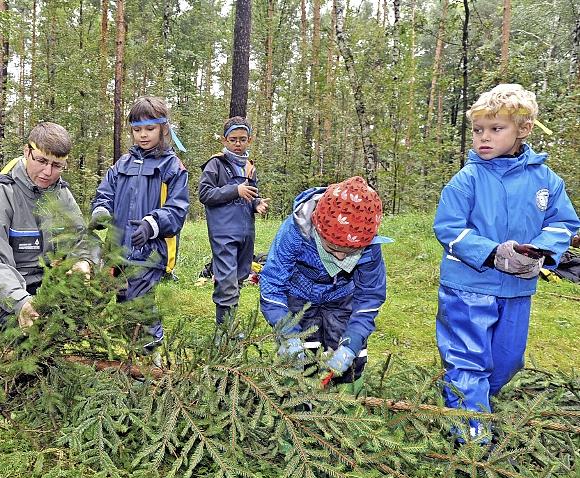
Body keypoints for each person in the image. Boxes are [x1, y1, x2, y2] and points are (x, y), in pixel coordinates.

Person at [433, 83, 580, 440]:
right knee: (469, 359)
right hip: (468, 287)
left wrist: (542, 250)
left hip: (517, 289)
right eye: (478, 130)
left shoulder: (546, 181)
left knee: (508, 359)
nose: (484, 138)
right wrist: (493, 253)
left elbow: (564, 224)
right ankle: (471, 435)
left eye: (496, 129)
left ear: (523, 129)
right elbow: (448, 228)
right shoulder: (466, 179)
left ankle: (469, 395)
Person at [0, 122, 94, 329]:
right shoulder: (1, 193)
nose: (47, 172)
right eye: (41, 160)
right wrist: (20, 301)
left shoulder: (63, 195)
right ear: (26, 152)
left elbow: (80, 240)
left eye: (56, 165)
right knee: (11, 340)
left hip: (41, 285)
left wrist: (83, 261)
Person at [260, 176, 389, 391]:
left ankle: (347, 407)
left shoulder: (368, 246)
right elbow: (272, 283)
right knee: (301, 354)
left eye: (348, 253)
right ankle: (296, 407)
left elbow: (370, 296)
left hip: (341, 298)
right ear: (318, 230)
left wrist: (352, 342)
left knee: (350, 358)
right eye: (331, 249)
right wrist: (287, 331)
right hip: (299, 297)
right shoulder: (295, 233)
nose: (339, 257)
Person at [91, 96, 190, 355]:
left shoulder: (172, 167)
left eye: (149, 129)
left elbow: (177, 210)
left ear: (163, 129)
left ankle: (150, 356)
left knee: (139, 301)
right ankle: (134, 355)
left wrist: (151, 224)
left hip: (150, 252)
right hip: (116, 250)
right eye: (137, 130)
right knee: (123, 301)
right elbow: (105, 194)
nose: (143, 135)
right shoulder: (121, 165)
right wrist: (101, 210)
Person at [199, 116, 269, 330]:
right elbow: (205, 194)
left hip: (246, 233)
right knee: (226, 281)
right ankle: (223, 332)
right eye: (233, 140)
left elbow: (249, 195)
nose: (238, 144)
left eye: (242, 139)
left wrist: (256, 203)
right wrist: (235, 190)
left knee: (239, 278)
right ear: (224, 140)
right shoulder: (215, 164)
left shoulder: (250, 167)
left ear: (250, 140)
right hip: (223, 233)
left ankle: (229, 326)